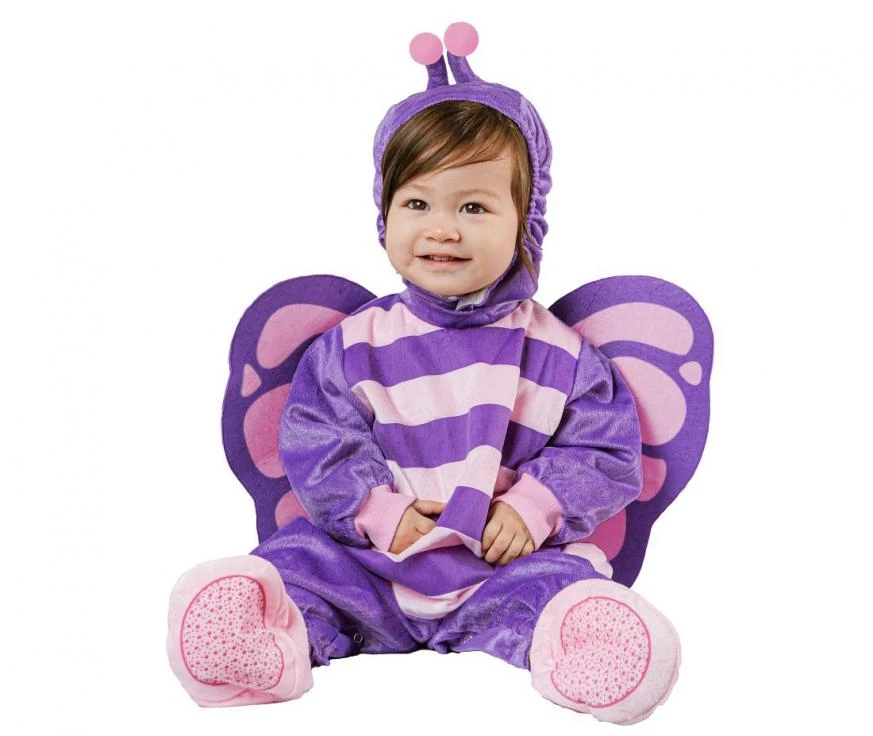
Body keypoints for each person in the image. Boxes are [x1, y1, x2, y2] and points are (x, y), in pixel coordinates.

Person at [167, 23, 681, 725]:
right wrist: (375, 510)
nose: (442, 228)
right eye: (417, 203)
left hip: (501, 568)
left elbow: (604, 450)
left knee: (557, 584)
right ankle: (264, 637)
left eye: (474, 206)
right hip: (370, 562)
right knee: (304, 564)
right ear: (384, 212)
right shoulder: (353, 345)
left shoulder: (560, 354)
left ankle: (582, 641)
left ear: (526, 220)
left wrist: (535, 506)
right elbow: (319, 442)